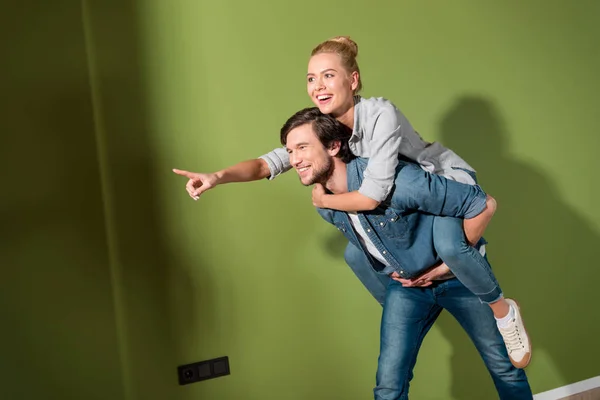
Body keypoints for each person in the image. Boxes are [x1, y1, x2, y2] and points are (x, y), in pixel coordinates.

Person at [172, 36, 531, 368]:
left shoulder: (379, 114)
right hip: (403, 201)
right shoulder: (324, 124)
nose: (318, 86)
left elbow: (373, 194)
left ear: (353, 81)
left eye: (328, 76)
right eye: (311, 78)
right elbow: (269, 162)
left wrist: (322, 201)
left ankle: (503, 311)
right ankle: (411, 309)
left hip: (437, 182)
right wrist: (217, 177)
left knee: (452, 246)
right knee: (356, 255)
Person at [279, 107, 533, 399]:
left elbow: (482, 204)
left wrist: (445, 266)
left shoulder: (397, 182)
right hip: (409, 288)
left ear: (334, 146)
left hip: (458, 278)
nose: (294, 159)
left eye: (302, 147)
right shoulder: (326, 206)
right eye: (289, 150)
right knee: (388, 386)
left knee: (504, 366)